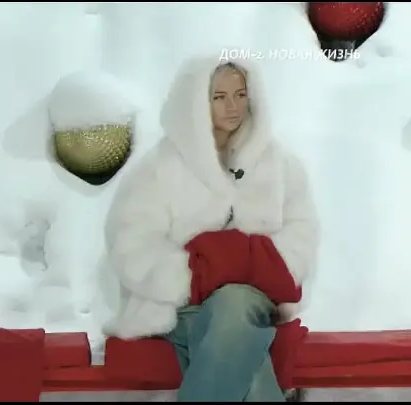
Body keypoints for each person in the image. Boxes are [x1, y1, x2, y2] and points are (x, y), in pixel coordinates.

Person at [103, 55, 319, 402]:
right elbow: (131, 245)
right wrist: (195, 275)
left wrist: (244, 259)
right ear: (194, 101)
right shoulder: (159, 168)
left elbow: (302, 234)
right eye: (219, 97)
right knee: (246, 363)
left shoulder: (281, 164)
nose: (233, 106)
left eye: (241, 94)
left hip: (255, 300)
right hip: (177, 309)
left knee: (235, 303)